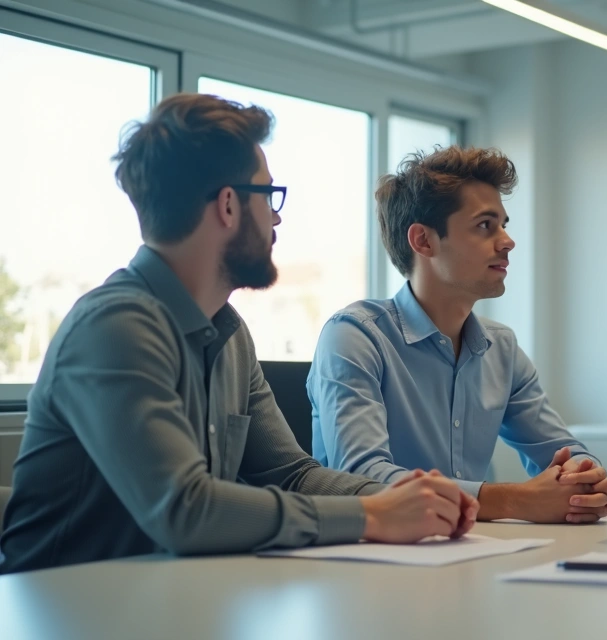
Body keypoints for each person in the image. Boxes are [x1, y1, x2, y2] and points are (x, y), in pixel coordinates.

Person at [0, 94, 476, 574]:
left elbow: (292, 475)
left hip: (166, 599)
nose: (277, 217)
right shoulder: (116, 326)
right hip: (62, 607)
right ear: (228, 205)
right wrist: (371, 514)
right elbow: (185, 510)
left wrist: (409, 498)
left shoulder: (229, 335)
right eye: (269, 196)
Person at [308, 146, 607, 524]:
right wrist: (514, 500)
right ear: (423, 241)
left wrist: (584, 479)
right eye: (485, 225)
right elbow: (363, 478)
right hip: (373, 564)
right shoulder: (354, 337)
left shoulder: (501, 346)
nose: (507, 241)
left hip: (472, 554)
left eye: (504, 224)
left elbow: (564, 450)